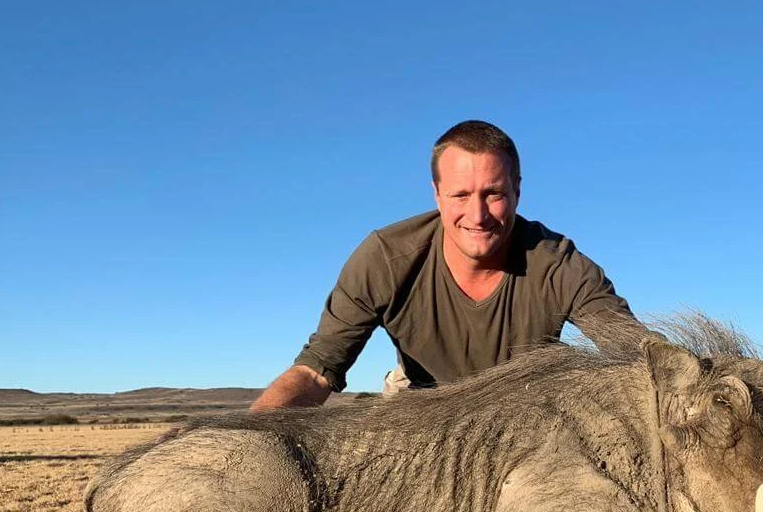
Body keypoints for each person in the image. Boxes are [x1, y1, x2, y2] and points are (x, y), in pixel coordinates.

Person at [251, 121, 641, 411]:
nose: (478, 214)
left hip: (525, 411)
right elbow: (316, 372)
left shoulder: (560, 265)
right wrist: (249, 443)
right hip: (418, 406)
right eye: (460, 195)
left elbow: (636, 353)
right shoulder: (384, 257)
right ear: (437, 194)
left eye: (494, 194)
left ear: (517, 190)